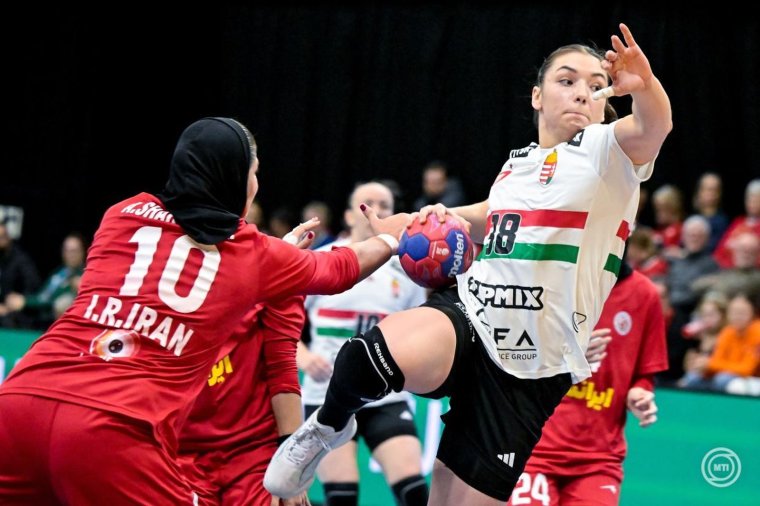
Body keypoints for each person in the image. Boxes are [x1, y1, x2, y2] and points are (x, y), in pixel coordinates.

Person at [265, 23, 672, 504]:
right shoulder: (519, 163)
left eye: (595, 85)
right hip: (473, 314)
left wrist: (645, 86)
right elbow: (489, 215)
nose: (582, 92)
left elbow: (654, 126)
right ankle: (327, 427)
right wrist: (416, 221)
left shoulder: (611, 151)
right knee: (365, 356)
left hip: (531, 369)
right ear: (537, 96)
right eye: (567, 80)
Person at [0, 117, 400, 504]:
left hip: (19, 402)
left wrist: (278, 259)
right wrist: (390, 238)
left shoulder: (120, 214)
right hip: (111, 426)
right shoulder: (253, 253)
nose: (256, 184)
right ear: (234, 178)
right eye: (253, 172)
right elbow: (337, 269)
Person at [297, 182, 429, 506]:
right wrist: (303, 357)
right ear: (347, 215)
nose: (376, 210)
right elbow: (281, 318)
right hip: (327, 394)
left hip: (386, 395)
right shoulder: (323, 259)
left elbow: (422, 326)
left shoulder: (408, 268)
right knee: (342, 495)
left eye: (385, 205)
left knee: (415, 491)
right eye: (367, 203)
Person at [506, 261, 668, 506]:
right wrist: (567, 354)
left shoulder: (645, 294)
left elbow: (644, 373)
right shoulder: (548, 279)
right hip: (534, 451)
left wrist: (640, 392)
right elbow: (511, 357)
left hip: (598, 461)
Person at [4, 231, 87, 328]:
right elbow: (42, 296)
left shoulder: (84, 275)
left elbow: (55, 302)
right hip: (39, 314)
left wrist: (25, 302)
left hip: (54, 320)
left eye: (74, 251)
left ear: (83, 252)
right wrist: (22, 299)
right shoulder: (59, 272)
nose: (70, 254)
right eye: (66, 250)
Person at [0, 222, 41, 328]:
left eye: (3, 237)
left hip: (18, 312)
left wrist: (22, 300)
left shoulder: (21, 260)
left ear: (9, 237)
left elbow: (33, 286)